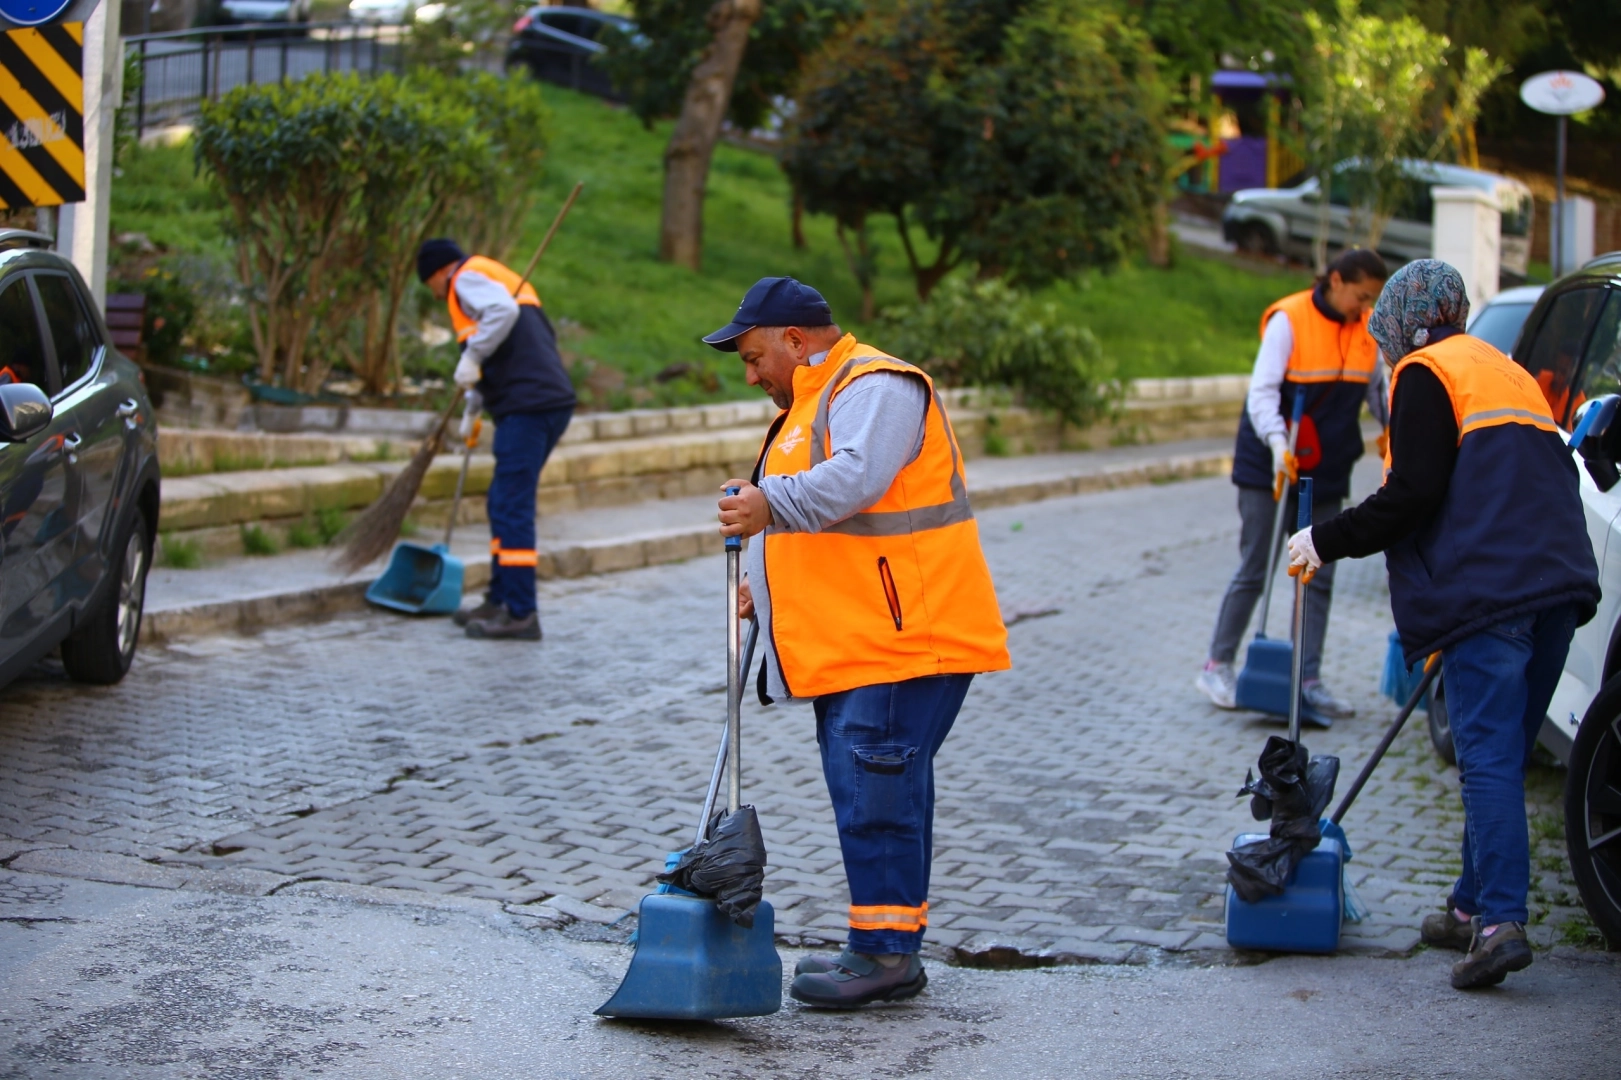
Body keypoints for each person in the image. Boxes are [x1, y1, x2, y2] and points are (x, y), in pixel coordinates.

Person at [1286, 259, 1600, 990]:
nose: (1385, 350)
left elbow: (1412, 493)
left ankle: (1499, 926)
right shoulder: (1505, 371)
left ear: (1403, 322)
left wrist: (1324, 538)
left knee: (1485, 758)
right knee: (1501, 754)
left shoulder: (1426, 374)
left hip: (1494, 592)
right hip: (1558, 583)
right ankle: (1468, 907)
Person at [709, 277, 1010, 1009]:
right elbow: (826, 531)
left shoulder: (876, 385)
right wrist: (765, 589)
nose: (751, 377)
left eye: (754, 359)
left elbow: (853, 482)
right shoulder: (812, 401)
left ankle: (884, 955)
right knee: (874, 790)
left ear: (794, 339)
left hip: (903, 641)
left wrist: (767, 504)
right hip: (865, 640)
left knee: (877, 794)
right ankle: (885, 947)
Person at [1198, 248, 1391, 717]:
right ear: (1336, 281)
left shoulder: (1366, 330)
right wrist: (1276, 445)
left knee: (1316, 572)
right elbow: (1262, 392)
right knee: (1257, 565)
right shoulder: (1290, 320)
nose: (1365, 306)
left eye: (1372, 299)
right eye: (1361, 295)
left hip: (1326, 467)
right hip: (1271, 462)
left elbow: (1376, 392)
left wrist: (1395, 427)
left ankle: (1307, 679)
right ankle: (1217, 665)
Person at [416, 238, 577, 641]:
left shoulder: (464, 279)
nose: (435, 294)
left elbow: (502, 314)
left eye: (430, 285)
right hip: (538, 402)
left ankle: (521, 613)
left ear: (437, 272)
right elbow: (506, 343)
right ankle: (500, 599)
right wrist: (475, 402)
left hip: (528, 406)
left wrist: (471, 357)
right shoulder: (491, 277)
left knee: (511, 505)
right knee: (502, 501)